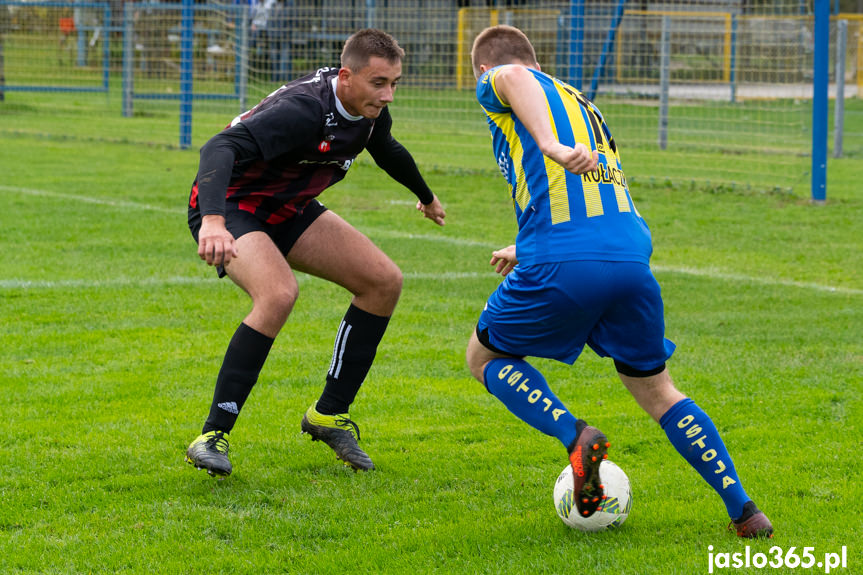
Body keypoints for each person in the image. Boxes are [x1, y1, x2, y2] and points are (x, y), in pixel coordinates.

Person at [465, 25, 772, 538]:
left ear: (483, 71)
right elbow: (591, 193)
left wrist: (550, 145)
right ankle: (744, 510)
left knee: (483, 357)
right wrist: (529, 243)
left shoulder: (502, 78)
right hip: (628, 257)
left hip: (563, 261)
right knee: (657, 390)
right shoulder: (583, 104)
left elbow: (513, 74)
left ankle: (576, 434)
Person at [184, 28, 446, 477]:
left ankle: (328, 414)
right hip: (233, 207)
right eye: (379, 83)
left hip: (291, 209)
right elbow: (219, 146)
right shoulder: (304, 109)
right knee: (278, 294)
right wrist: (212, 220)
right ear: (346, 76)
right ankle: (212, 434)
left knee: (383, 282)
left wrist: (426, 196)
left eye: (395, 83)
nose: (388, 95)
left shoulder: (369, 112)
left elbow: (386, 150)